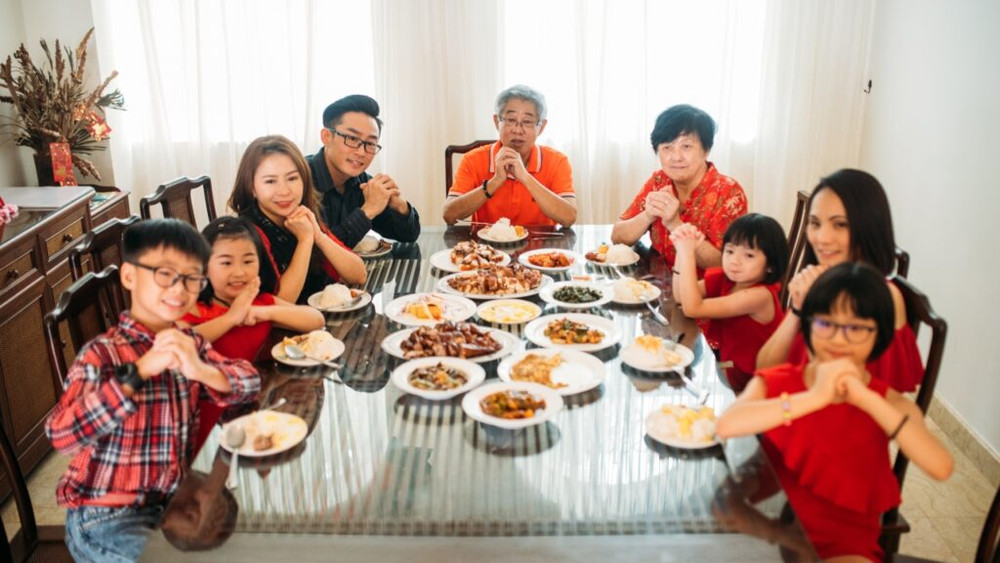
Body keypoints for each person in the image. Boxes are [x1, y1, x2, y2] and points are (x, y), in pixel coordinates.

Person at [45, 219, 261, 562]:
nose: (179, 289)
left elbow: (249, 382)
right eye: (164, 274)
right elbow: (62, 436)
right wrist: (139, 373)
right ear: (130, 276)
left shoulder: (186, 341)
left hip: (171, 503)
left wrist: (202, 370)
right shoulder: (103, 354)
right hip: (105, 517)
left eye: (192, 278)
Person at [716, 262, 953, 562]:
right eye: (825, 323)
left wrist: (865, 398)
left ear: (878, 335)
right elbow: (727, 425)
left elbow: (941, 467)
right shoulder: (783, 380)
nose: (839, 338)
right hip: (772, 524)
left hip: (844, 544)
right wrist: (815, 397)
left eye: (856, 328)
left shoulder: (888, 402)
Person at [755, 169, 922, 392]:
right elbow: (764, 370)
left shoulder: (883, 297)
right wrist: (797, 310)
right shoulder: (822, 281)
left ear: (868, 228)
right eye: (815, 223)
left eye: (840, 224)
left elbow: (858, 397)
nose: (822, 238)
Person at [180, 216, 324, 449]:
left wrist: (266, 313)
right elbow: (179, 344)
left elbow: (316, 320)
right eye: (226, 263)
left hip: (248, 410)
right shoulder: (194, 308)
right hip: (199, 419)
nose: (239, 272)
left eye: (248, 261)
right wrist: (231, 318)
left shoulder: (259, 303)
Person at [229, 135, 367, 304]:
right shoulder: (247, 235)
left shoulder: (301, 214)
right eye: (270, 181)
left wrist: (318, 236)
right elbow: (279, 306)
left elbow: (359, 275)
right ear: (252, 187)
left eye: (292, 178)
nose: (284, 191)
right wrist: (305, 241)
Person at [612, 104, 747, 273]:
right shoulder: (659, 181)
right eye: (667, 147)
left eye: (686, 146)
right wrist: (647, 215)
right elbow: (617, 237)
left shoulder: (729, 192)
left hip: (703, 287)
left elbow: (725, 263)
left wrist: (674, 224)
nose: (676, 157)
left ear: (706, 150)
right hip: (659, 280)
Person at [670, 213, 789, 391]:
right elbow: (681, 296)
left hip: (757, 382)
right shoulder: (727, 279)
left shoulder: (760, 296)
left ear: (770, 265)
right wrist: (681, 249)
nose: (735, 261)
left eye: (749, 255)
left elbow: (693, 308)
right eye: (730, 251)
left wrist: (688, 253)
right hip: (731, 368)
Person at [442, 84, 577, 227]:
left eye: (527, 122)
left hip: (540, 242)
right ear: (497, 122)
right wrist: (495, 182)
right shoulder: (472, 159)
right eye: (511, 120)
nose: (518, 130)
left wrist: (525, 177)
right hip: (487, 241)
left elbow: (569, 218)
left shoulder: (557, 161)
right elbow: (449, 215)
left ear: (541, 127)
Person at [307, 94, 421, 249]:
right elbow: (315, 253)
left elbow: (409, 235)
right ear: (326, 136)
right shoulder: (298, 181)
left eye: (371, 143)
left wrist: (400, 206)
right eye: (352, 138)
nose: (361, 152)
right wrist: (367, 211)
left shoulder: (362, 183)